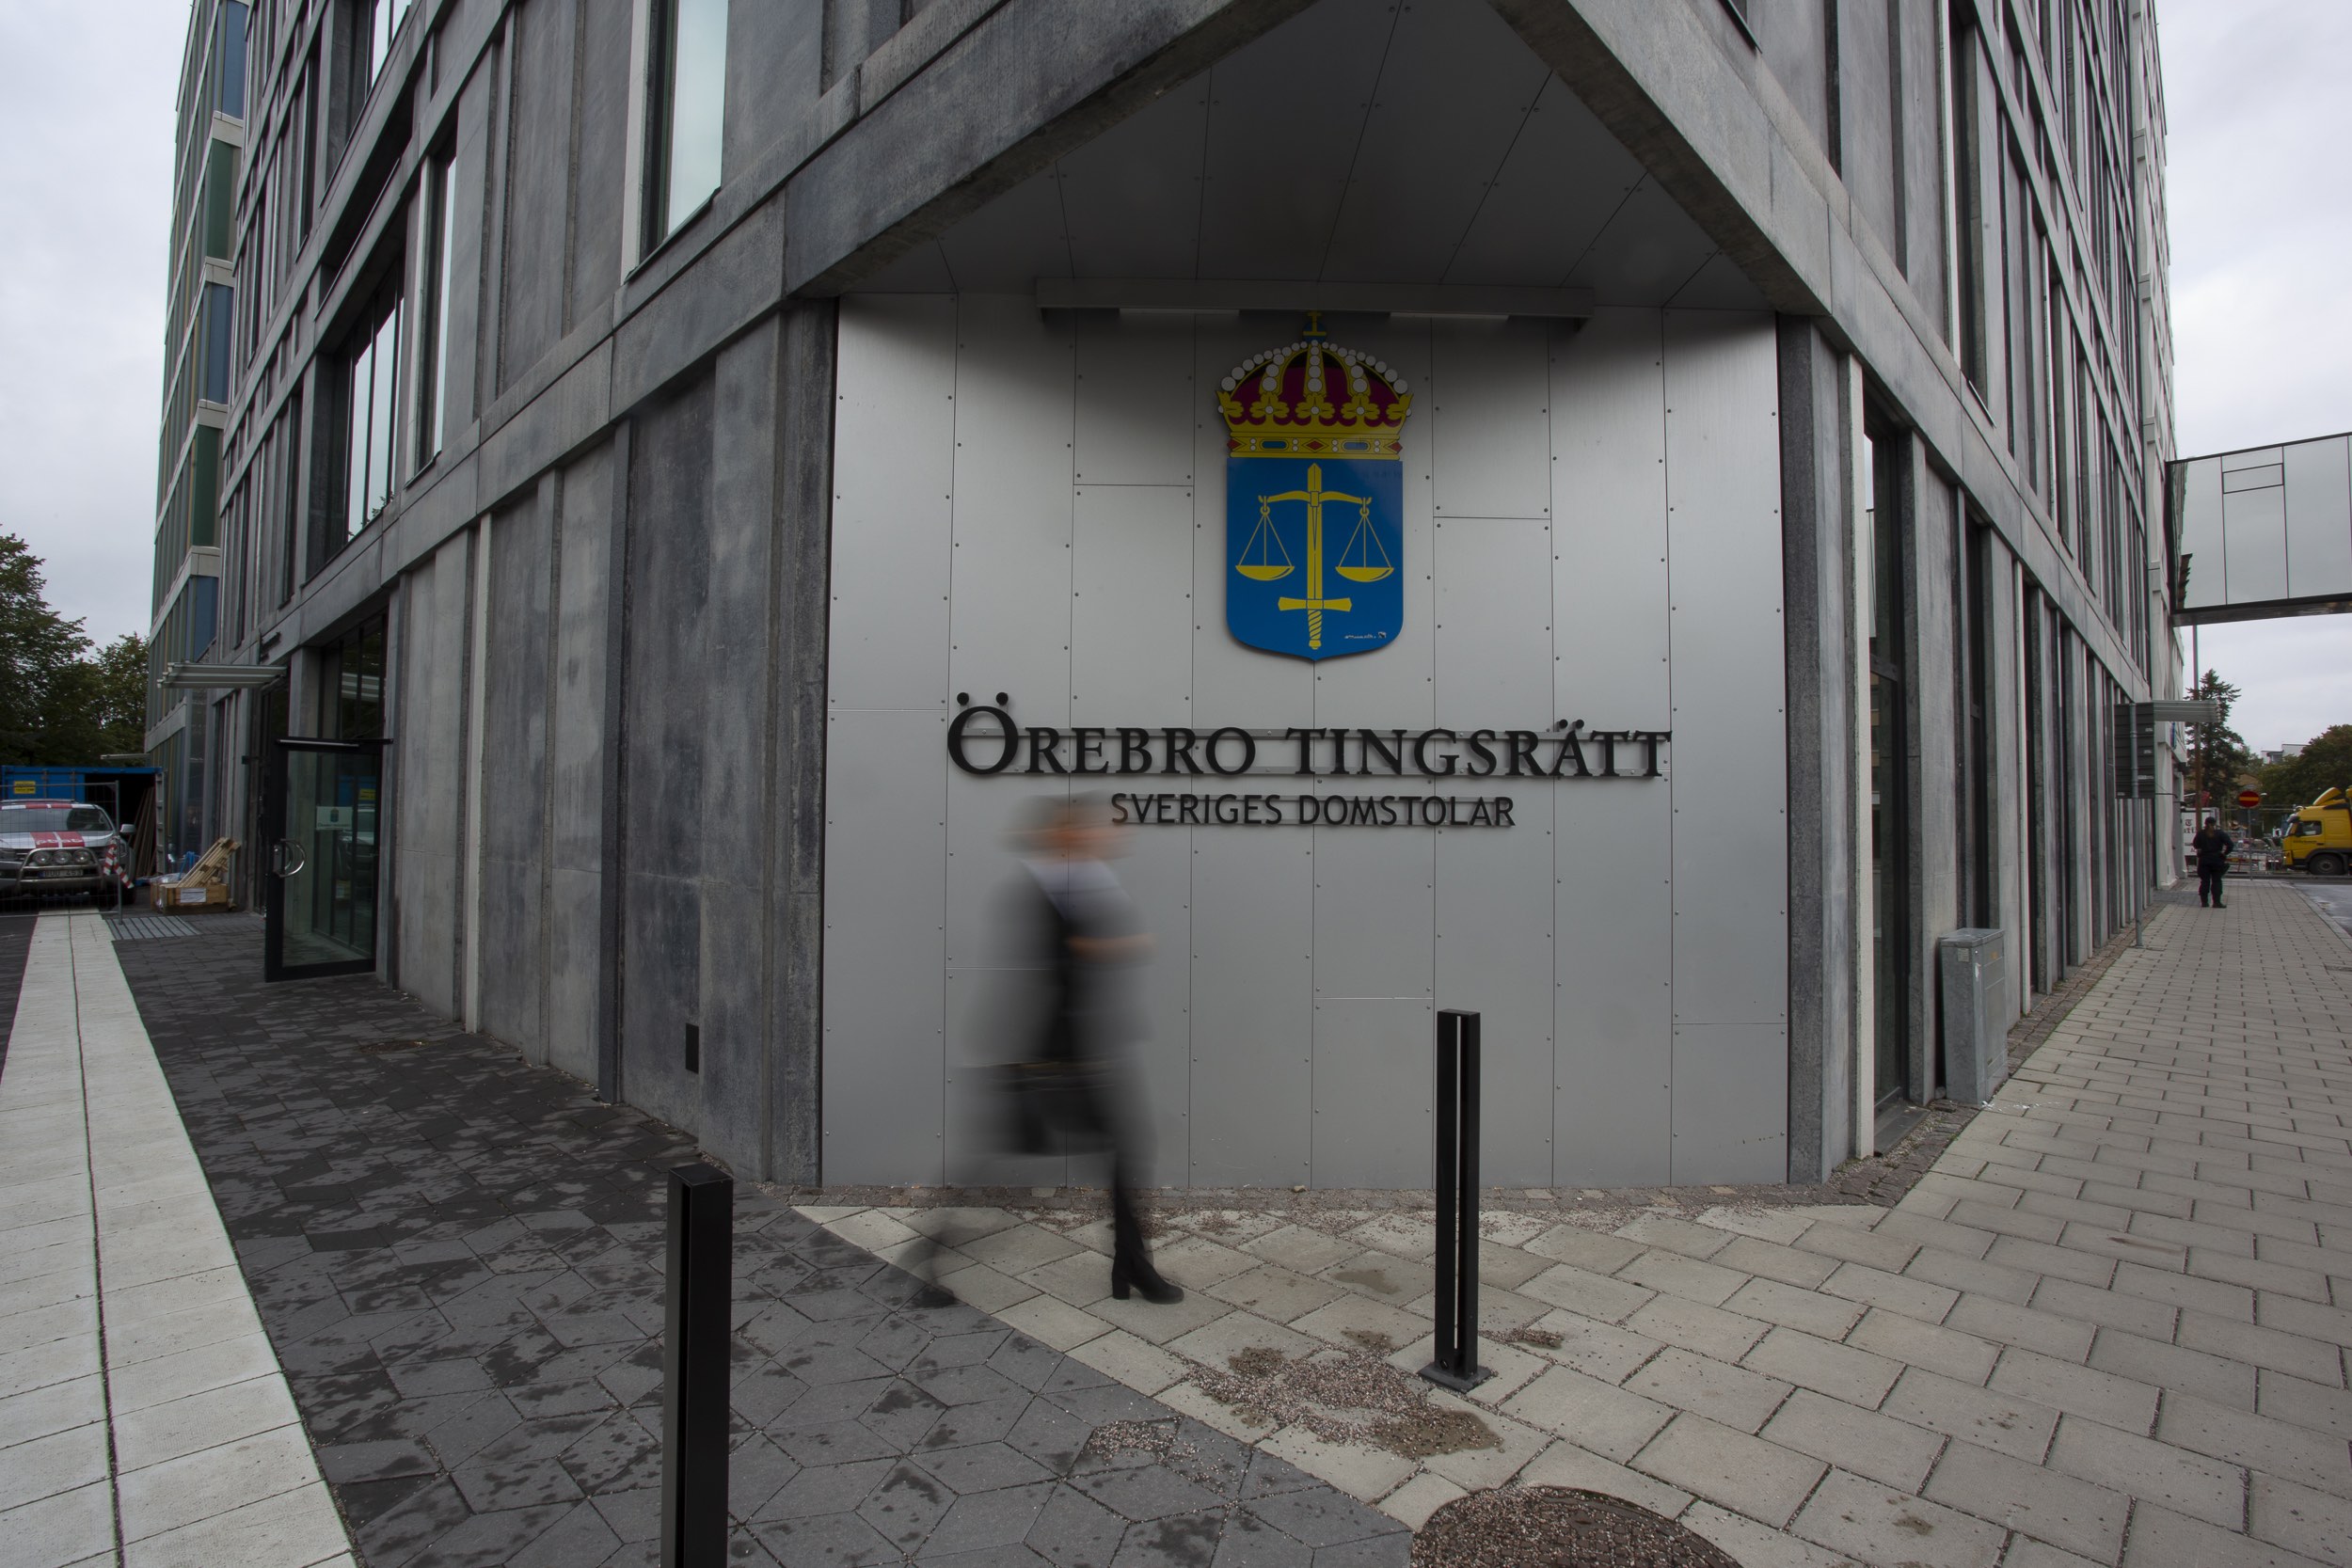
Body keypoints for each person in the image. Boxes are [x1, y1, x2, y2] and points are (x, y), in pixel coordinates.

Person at [1007, 796, 1182, 1304]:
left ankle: (1130, 1266)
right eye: (1090, 828)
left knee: (1127, 1151)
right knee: (1124, 1151)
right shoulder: (1045, 886)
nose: (1104, 834)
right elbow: (1064, 956)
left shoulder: (1082, 881)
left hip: (1092, 1045)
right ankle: (1132, 1267)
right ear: (1064, 834)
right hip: (1066, 1051)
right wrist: (1126, 946)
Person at [2191, 817, 2233, 909]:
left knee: (2204, 881)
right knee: (2217, 881)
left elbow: (2196, 845)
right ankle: (2217, 902)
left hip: (2204, 859)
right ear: (2214, 823)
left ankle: (2204, 902)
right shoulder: (2220, 834)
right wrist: (2224, 853)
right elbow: (2230, 845)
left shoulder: (2200, 834)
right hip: (2217, 859)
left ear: (2205, 823)